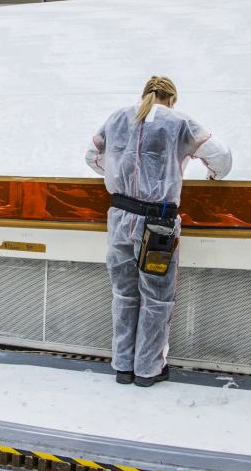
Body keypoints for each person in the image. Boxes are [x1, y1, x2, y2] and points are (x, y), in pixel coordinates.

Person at [85, 76, 231, 387]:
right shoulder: (179, 122)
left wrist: (118, 172)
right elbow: (220, 157)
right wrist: (213, 176)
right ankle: (148, 370)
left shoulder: (116, 118)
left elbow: (92, 156)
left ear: (144, 94)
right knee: (157, 299)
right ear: (172, 99)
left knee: (124, 294)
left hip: (120, 217)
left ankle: (123, 367)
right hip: (157, 224)